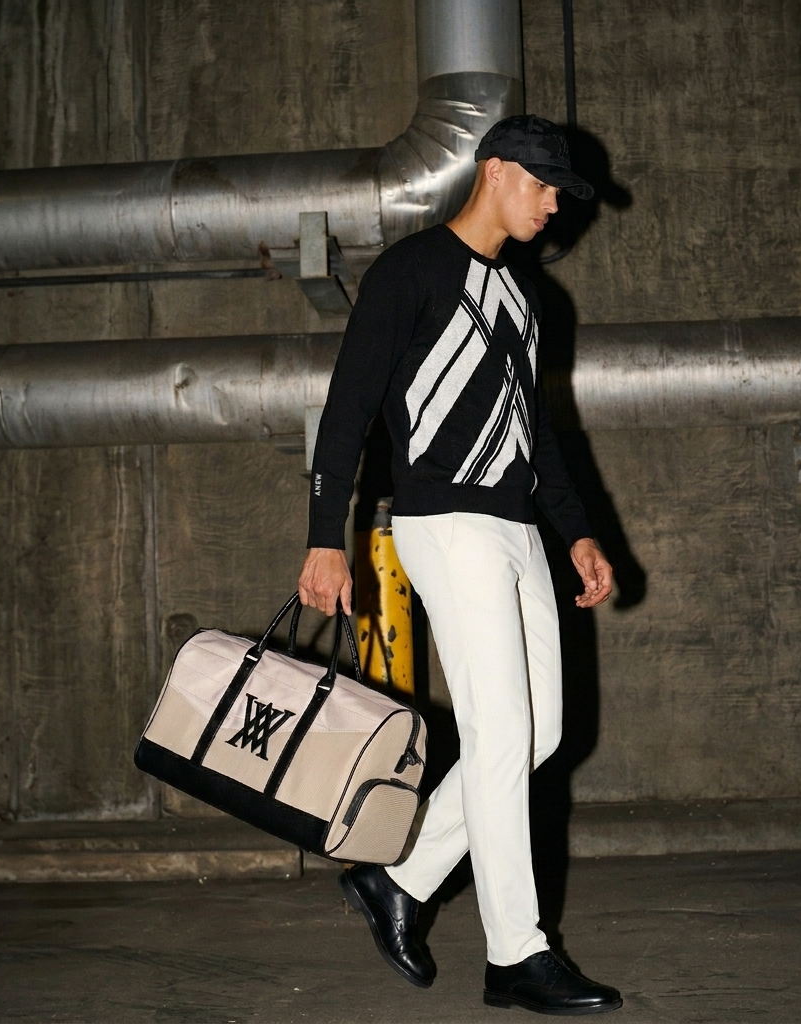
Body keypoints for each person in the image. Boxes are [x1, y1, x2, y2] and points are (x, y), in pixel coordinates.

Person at [297, 114, 622, 1016]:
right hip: (444, 521)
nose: (554, 206)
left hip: (516, 528)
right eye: (544, 186)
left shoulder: (527, 295)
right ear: (496, 171)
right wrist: (326, 535)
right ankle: (517, 953)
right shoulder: (409, 272)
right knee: (501, 731)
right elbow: (349, 407)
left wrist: (577, 532)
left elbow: (537, 430)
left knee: (537, 736)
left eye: (560, 193)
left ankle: (398, 879)